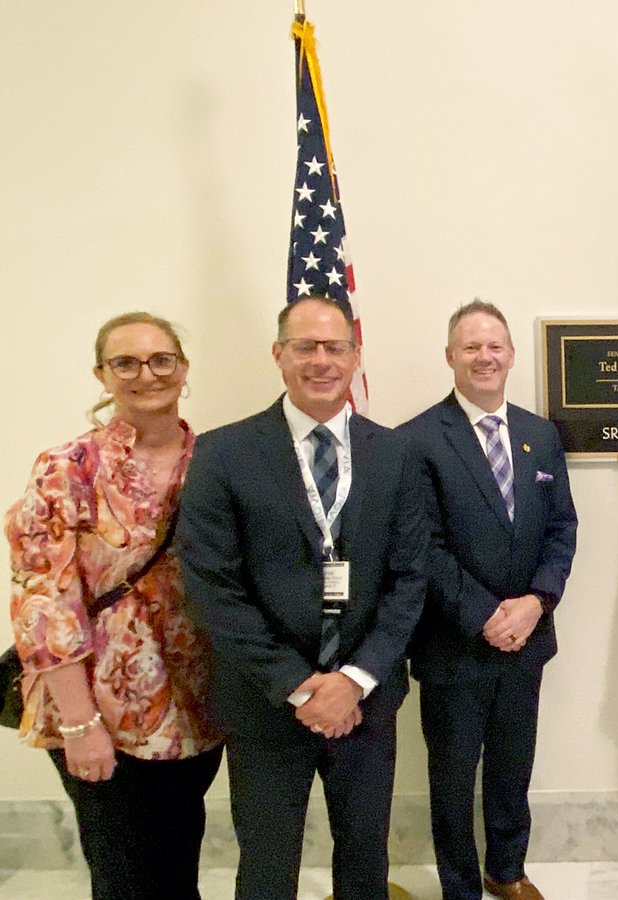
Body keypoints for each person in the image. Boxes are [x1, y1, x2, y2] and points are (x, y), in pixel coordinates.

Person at [178, 295, 426, 900]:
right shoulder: (222, 452)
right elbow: (213, 586)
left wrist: (354, 679)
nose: (321, 360)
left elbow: (410, 579)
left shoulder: (395, 453)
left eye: (334, 347)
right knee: (266, 862)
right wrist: (300, 684)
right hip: (266, 702)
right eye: (305, 346)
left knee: (365, 857)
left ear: (355, 356)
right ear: (278, 355)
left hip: (367, 701)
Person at [5, 311, 223, 899]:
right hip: (97, 708)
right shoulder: (67, 469)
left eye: (161, 359)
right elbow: (44, 601)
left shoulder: (219, 462)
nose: (145, 373)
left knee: (178, 863)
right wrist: (79, 725)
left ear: (183, 370)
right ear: (102, 375)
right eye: (125, 361)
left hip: (195, 708)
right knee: (123, 873)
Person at [402, 299, 578, 900]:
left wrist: (537, 602)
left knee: (512, 769)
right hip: (454, 646)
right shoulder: (416, 441)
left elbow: (562, 530)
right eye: (472, 346)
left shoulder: (539, 435)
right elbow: (422, 547)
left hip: (525, 640)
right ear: (450, 356)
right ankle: (460, 887)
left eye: (495, 345)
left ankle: (506, 871)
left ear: (511, 354)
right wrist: (485, 615)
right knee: (451, 780)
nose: (485, 356)